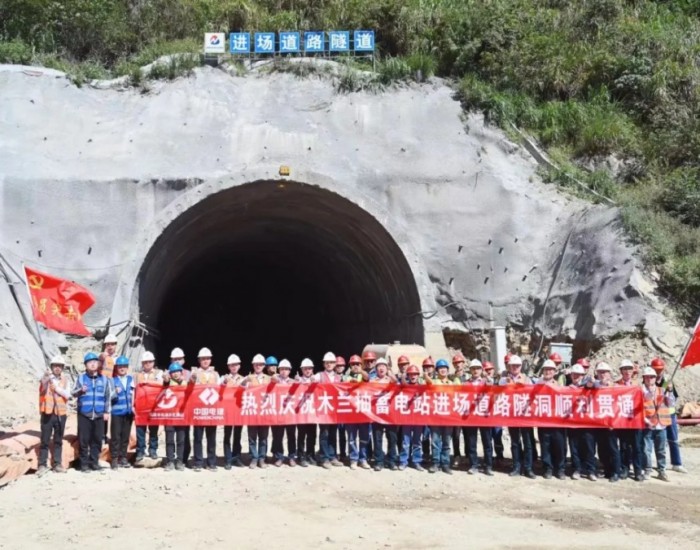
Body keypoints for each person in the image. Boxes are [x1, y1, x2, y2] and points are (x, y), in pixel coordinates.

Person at [72, 352, 111, 472]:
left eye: (95, 362)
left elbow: (108, 396)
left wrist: (107, 412)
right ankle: (84, 464)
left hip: (99, 414)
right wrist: (80, 390)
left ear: (98, 364)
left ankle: (94, 462)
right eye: (90, 362)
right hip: (84, 413)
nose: (93, 364)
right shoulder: (81, 378)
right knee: (84, 440)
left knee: (97, 440)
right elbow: (73, 393)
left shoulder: (104, 379)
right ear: (85, 365)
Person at [500, 355, 535, 479]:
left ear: (521, 367)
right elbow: (499, 395)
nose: (515, 368)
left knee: (528, 442)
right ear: (509, 367)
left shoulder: (527, 379)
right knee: (515, 442)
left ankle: (528, 468)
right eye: (513, 366)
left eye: (517, 366)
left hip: (525, 415)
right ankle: (516, 466)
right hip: (512, 415)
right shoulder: (504, 380)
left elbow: (532, 395)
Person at [37, 355, 71, 476]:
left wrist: (57, 389)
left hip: (60, 414)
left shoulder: (66, 380)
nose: (57, 368)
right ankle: (42, 464)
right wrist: (46, 377)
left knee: (58, 440)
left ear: (62, 368)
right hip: (47, 413)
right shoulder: (47, 378)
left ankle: (57, 463)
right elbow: (42, 386)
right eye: (55, 365)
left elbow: (68, 395)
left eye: (59, 366)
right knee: (45, 440)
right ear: (51, 367)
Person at [651, 357, 686, 474]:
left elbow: (673, 400)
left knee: (673, 439)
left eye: (660, 369)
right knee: (654, 441)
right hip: (656, 415)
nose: (657, 372)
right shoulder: (649, 380)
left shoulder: (667, 381)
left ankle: (677, 463)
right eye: (656, 369)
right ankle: (654, 464)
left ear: (663, 369)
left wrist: (669, 391)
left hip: (669, 414)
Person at [642, 366, 674, 482]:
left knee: (661, 450)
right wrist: (647, 421)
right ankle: (648, 469)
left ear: (655, 378)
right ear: (644, 378)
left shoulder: (662, 390)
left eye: (652, 377)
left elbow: (671, 404)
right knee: (647, 450)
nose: (650, 379)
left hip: (661, 425)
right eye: (647, 377)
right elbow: (639, 409)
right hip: (648, 426)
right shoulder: (641, 392)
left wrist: (669, 392)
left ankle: (662, 470)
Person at [189, 347, 219, 471]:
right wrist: (192, 379)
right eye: (203, 359)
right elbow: (190, 385)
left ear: (210, 360)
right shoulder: (195, 373)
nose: (206, 361)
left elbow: (221, 390)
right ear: (199, 360)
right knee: (198, 438)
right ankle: (198, 462)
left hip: (211, 410)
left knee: (211, 438)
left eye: (207, 358)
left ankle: (211, 462)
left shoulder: (216, 374)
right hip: (199, 410)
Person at [536, 360, 566, 479]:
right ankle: (547, 468)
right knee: (545, 446)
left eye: (550, 370)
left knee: (559, 446)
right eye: (546, 369)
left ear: (554, 372)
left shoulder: (559, 385)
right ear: (543, 371)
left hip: (557, 421)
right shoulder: (537, 384)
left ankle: (560, 469)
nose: (548, 371)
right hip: (543, 421)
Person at [464, 359, 494, 476]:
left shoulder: (485, 381)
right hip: (471, 417)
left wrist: (489, 379)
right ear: (470, 370)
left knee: (487, 442)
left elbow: (491, 385)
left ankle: (488, 466)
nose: (475, 370)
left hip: (484, 416)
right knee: (472, 442)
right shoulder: (466, 383)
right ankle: (474, 465)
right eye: (473, 368)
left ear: (481, 370)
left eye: (478, 368)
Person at [568, 363, 597, 481]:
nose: (576, 377)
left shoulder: (587, 386)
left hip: (587, 422)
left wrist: (588, 384)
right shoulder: (566, 388)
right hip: (573, 422)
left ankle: (591, 470)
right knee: (575, 447)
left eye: (578, 375)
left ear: (582, 376)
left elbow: (591, 385)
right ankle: (577, 469)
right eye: (574, 374)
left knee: (589, 447)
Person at [314, 352, 344, 469]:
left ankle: (332, 456)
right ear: (324, 364)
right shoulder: (319, 375)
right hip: (323, 410)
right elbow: (310, 381)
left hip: (334, 411)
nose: (329, 364)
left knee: (333, 433)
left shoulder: (339, 377)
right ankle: (324, 458)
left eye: (332, 362)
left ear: (335, 364)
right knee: (324, 434)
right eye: (327, 362)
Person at [616, 359, 644, 482]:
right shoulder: (616, 385)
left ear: (633, 371)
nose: (627, 371)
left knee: (637, 447)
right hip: (623, 421)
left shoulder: (638, 385)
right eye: (624, 369)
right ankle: (625, 468)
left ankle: (638, 470)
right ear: (621, 371)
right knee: (624, 446)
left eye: (629, 369)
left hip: (636, 421)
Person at [594, 362, 622, 482]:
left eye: (605, 372)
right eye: (600, 372)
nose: (602, 374)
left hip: (611, 423)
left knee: (613, 448)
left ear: (609, 374)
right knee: (601, 448)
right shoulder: (595, 386)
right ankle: (606, 469)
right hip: (598, 422)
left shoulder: (615, 387)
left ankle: (616, 472)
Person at [425, 359, 454, 474]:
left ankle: (445, 464)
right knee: (435, 441)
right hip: (436, 417)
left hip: (448, 417)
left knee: (446, 442)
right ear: (437, 371)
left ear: (447, 370)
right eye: (440, 368)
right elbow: (428, 382)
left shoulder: (451, 384)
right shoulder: (434, 382)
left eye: (445, 368)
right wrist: (426, 375)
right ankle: (435, 463)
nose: (443, 370)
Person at [134, 351, 162, 462]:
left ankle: (153, 450)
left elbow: (162, 386)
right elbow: (133, 390)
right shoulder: (137, 375)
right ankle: (140, 451)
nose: (147, 364)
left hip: (154, 406)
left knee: (153, 430)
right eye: (145, 362)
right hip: (140, 406)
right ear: (142, 363)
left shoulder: (158, 374)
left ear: (153, 362)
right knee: (140, 430)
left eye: (150, 362)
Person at [371, 358, 399, 471]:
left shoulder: (390, 379)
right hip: (377, 414)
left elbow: (396, 383)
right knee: (377, 439)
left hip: (390, 415)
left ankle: (391, 460)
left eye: (384, 366)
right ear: (376, 369)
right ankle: (379, 461)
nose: (381, 368)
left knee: (392, 438)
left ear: (387, 368)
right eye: (379, 366)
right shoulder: (372, 381)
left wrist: (390, 373)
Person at [244, 353, 271, 468]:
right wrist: (244, 382)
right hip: (253, 412)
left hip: (265, 412)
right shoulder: (249, 378)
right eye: (256, 364)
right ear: (253, 365)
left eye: (260, 364)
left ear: (264, 366)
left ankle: (262, 458)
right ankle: (254, 458)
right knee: (252, 437)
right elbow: (240, 389)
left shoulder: (269, 379)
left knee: (263, 438)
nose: (258, 366)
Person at [344, 355, 370, 469]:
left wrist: (361, 372)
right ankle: (353, 459)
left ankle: (363, 459)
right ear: (350, 365)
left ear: (361, 365)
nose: (355, 366)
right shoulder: (345, 377)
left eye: (358, 364)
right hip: (350, 413)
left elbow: (367, 378)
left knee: (364, 437)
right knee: (351, 438)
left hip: (363, 412)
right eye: (353, 364)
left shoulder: (363, 375)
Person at [398, 364, 426, 471]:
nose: (413, 376)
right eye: (411, 374)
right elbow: (403, 384)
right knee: (406, 442)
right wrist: (403, 376)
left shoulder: (422, 386)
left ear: (418, 375)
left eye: (415, 374)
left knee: (417, 442)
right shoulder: (405, 386)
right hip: (407, 419)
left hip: (419, 419)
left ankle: (416, 461)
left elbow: (429, 385)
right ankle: (403, 461)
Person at [109, 356, 135, 470]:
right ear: (116, 368)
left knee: (125, 437)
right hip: (116, 412)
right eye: (120, 366)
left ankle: (123, 457)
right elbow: (108, 396)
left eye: (124, 366)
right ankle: (114, 459)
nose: (122, 368)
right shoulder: (112, 380)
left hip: (128, 413)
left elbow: (134, 394)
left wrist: (133, 407)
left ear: (127, 367)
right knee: (115, 437)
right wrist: (115, 392)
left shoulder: (131, 379)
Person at [271, 359, 297, 466]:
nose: (284, 371)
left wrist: (296, 383)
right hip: (278, 414)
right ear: (279, 370)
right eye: (282, 369)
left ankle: (292, 457)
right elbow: (271, 382)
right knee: (278, 436)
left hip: (290, 413)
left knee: (291, 436)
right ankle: (279, 457)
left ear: (290, 371)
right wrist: (273, 379)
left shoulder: (293, 382)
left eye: (286, 369)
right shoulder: (275, 381)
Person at [162, 362, 188, 471]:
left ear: (181, 372)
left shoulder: (185, 383)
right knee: (169, 440)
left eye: (177, 371)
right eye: (173, 372)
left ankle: (180, 461)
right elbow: (164, 384)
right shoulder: (168, 383)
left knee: (181, 440)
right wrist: (166, 380)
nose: (175, 374)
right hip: (170, 416)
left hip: (182, 416)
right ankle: (170, 461)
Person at [221, 354, 245, 469]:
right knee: (227, 436)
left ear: (239, 366)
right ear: (228, 366)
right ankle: (228, 459)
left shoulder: (244, 379)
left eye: (236, 365)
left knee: (237, 436)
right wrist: (225, 382)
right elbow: (219, 389)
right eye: (232, 365)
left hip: (239, 411)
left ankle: (237, 457)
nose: (234, 367)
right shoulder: (224, 378)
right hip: (228, 411)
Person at [169, 347, 191, 465]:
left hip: (184, 411)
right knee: (171, 437)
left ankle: (183, 459)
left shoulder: (188, 374)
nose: (177, 361)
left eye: (179, 359)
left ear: (183, 360)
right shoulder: (167, 374)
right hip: (171, 411)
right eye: (175, 359)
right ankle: (172, 460)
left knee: (184, 436)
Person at [295, 358, 318, 467]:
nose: (307, 370)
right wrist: (296, 383)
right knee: (301, 436)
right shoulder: (298, 380)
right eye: (305, 369)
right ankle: (301, 456)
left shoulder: (316, 380)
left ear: (312, 369)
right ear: (302, 370)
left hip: (312, 413)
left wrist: (316, 382)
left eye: (309, 368)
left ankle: (310, 455)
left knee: (312, 435)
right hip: (301, 413)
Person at [483, 360, 504, 463]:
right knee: (488, 437)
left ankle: (500, 456)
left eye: (490, 369)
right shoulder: (482, 382)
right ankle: (489, 457)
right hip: (486, 413)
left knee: (497, 435)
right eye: (486, 370)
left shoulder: (498, 381)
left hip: (496, 413)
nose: (488, 371)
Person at [451, 354, 467, 467]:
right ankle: (457, 455)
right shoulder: (451, 377)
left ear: (463, 363)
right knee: (455, 435)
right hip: (456, 411)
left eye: (460, 362)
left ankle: (468, 456)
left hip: (467, 411)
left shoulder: (469, 376)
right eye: (456, 363)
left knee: (468, 434)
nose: (458, 365)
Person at [421, 357, 436, 463]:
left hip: (435, 411)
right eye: (425, 367)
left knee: (435, 436)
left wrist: (427, 378)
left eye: (430, 367)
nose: (428, 369)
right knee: (425, 435)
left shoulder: (437, 378)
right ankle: (426, 454)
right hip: (425, 411)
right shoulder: (420, 379)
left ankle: (435, 456)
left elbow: (434, 385)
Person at [334, 355, 347, 460]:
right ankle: (333, 454)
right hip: (334, 409)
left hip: (346, 408)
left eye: (341, 365)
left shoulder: (349, 376)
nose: (339, 367)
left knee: (344, 433)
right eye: (337, 365)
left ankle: (343, 454)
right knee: (333, 433)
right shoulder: (331, 377)